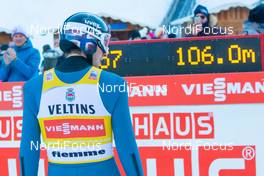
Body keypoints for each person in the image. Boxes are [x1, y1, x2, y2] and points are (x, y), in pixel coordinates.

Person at [20, 12, 144, 176]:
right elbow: (127, 146)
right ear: (89, 44)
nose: (105, 52)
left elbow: (28, 150)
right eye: (104, 43)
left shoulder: (34, 87)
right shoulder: (113, 84)